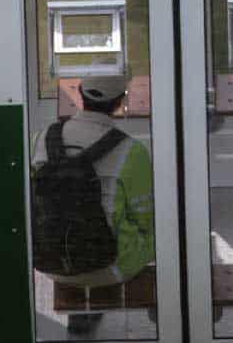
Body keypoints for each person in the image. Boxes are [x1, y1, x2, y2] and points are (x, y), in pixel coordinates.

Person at [30, 75, 155, 326]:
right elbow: (145, 217)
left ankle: (82, 314)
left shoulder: (41, 138)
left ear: (80, 96)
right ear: (120, 102)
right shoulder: (132, 151)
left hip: (51, 261)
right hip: (112, 268)